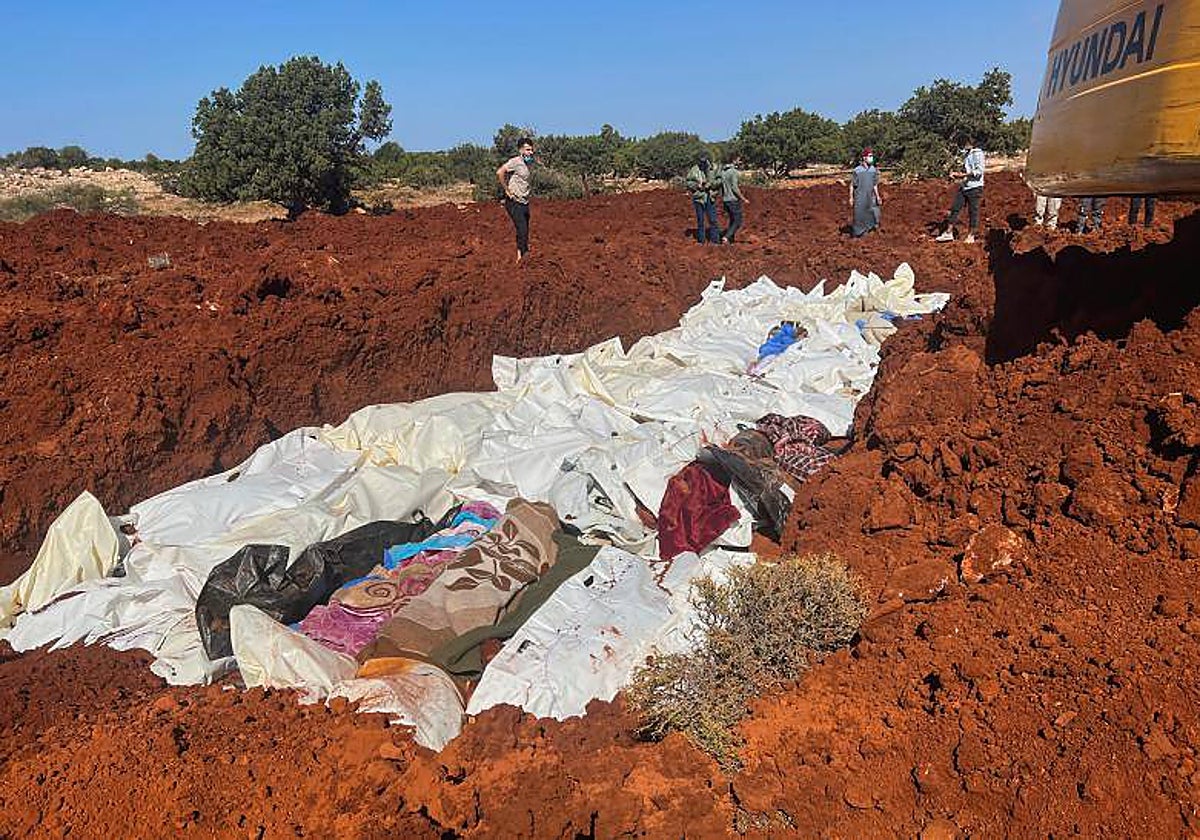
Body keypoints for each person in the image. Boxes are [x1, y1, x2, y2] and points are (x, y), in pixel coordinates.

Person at [935, 137, 986, 243]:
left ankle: (971, 235)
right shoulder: (967, 154)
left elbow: (979, 171)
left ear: (970, 142)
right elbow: (966, 170)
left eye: (964, 143)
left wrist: (963, 174)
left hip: (975, 187)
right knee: (955, 208)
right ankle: (948, 233)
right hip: (965, 186)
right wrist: (957, 175)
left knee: (973, 211)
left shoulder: (978, 154)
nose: (962, 146)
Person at [497, 137, 536, 262]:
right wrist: (507, 190)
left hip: (525, 202)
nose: (530, 152)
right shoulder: (515, 161)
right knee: (522, 229)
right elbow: (500, 172)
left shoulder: (529, 163)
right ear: (521, 150)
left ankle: (521, 256)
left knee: (525, 231)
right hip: (514, 202)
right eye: (527, 150)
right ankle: (521, 258)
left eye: (531, 150)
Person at [685, 155, 721, 244]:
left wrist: (711, 184)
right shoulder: (694, 170)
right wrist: (697, 186)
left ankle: (715, 241)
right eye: (701, 162)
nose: (702, 164)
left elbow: (720, 180)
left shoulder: (714, 168)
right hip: (698, 198)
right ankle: (701, 241)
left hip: (710, 196)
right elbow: (688, 182)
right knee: (700, 220)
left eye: (704, 161)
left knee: (713, 220)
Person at [849, 148, 882, 237]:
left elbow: (875, 184)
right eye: (870, 156)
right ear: (864, 157)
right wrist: (851, 197)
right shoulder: (857, 170)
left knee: (872, 212)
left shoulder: (873, 170)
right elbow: (852, 185)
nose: (871, 158)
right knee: (860, 214)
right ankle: (859, 232)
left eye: (872, 156)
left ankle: (870, 228)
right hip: (860, 195)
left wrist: (877, 196)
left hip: (870, 195)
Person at [719, 158, 748, 243]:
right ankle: (726, 237)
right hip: (733, 200)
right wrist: (743, 198)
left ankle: (731, 239)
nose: (741, 162)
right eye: (739, 160)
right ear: (733, 160)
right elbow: (734, 188)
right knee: (738, 221)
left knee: (732, 220)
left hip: (726, 200)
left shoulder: (723, 172)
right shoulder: (733, 172)